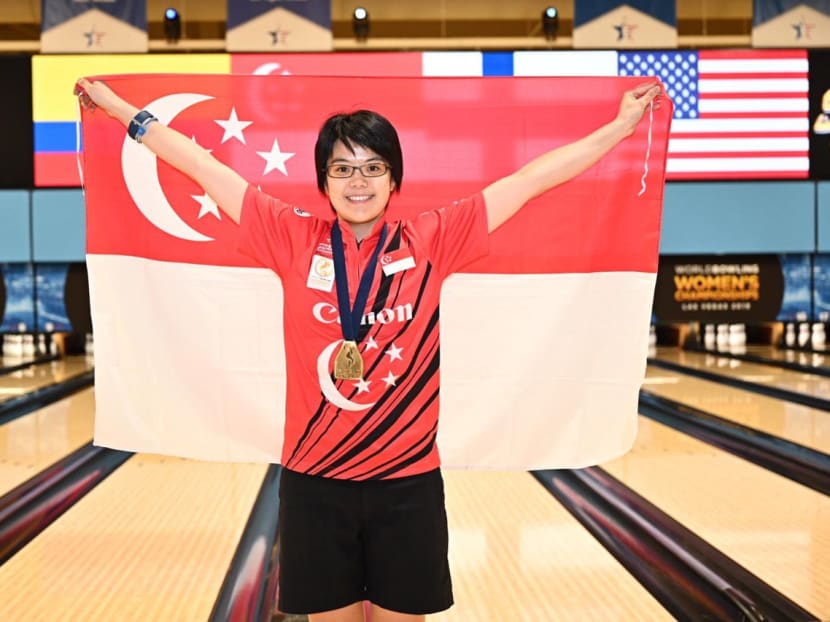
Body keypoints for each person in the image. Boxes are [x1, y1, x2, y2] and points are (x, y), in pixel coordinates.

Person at [75, 76, 661, 622]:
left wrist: (620, 127)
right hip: (315, 487)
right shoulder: (289, 235)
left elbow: (531, 181)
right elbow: (201, 166)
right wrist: (119, 108)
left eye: (373, 167)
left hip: (406, 488)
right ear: (324, 181)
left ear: (394, 178)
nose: (359, 182)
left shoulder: (434, 238)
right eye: (343, 169)